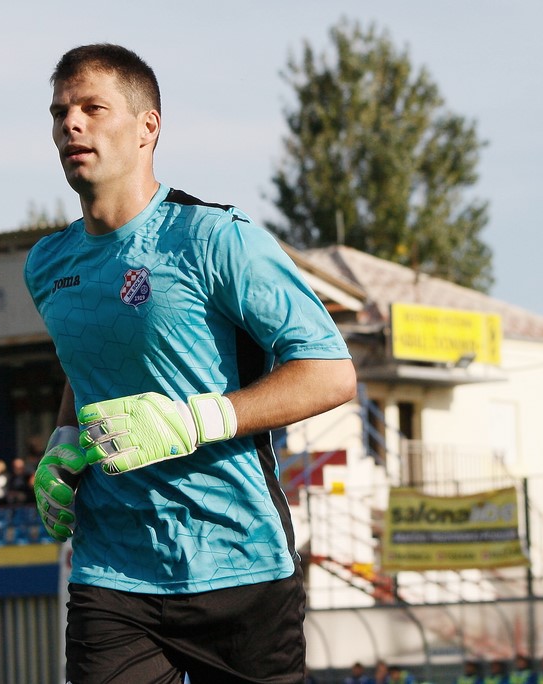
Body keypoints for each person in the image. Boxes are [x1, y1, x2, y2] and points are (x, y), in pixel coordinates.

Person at [26, 43, 356, 683]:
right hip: (112, 573)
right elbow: (89, 359)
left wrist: (191, 421)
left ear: (147, 127)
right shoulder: (47, 264)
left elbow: (330, 371)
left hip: (238, 564)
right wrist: (63, 441)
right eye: (60, 112)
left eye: (92, 108)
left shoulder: (216, 238)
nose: (71, 125)